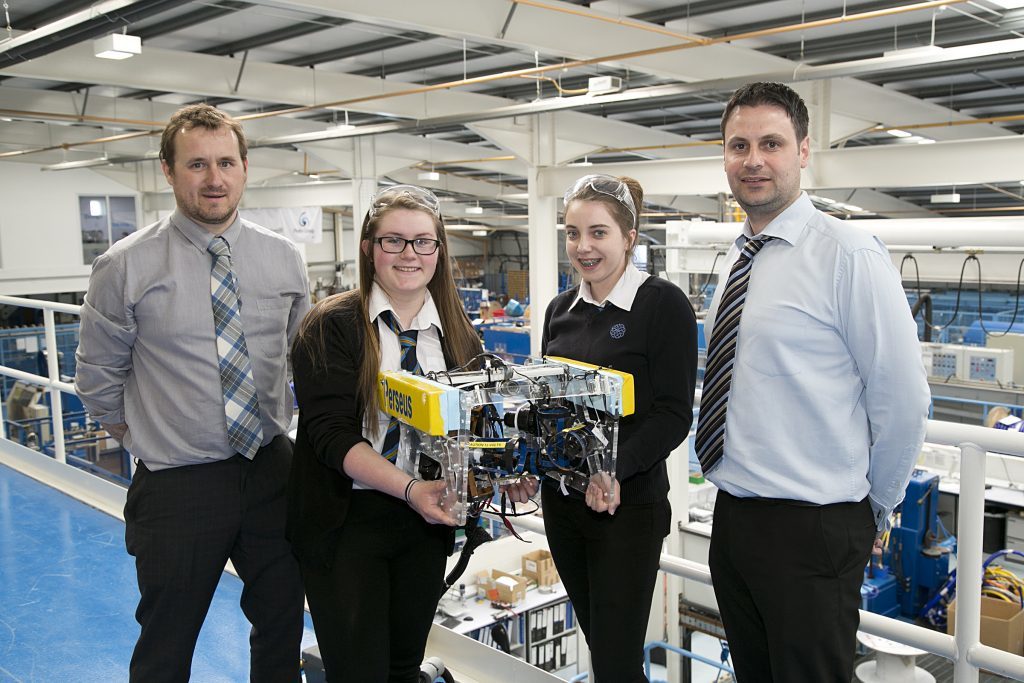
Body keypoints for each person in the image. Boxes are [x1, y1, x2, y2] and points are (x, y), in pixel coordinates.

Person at [698, 81, 931, 682]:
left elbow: (903, 400)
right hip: (735, 516)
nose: (753, 160)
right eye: (738, 145)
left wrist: (873, 509)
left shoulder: (848, 255)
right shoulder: (737, 257)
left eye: (771, 143)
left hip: (814, 525)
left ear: (803, 151)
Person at [74, 104, 308, 682]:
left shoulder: (284, 258)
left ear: (245, 168)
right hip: (178, 482)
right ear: (168, 171)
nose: (214, 179)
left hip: (270, 470)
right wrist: (145, 437)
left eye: (226, 162)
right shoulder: (124, 265)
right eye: (197, 164)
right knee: (167, 637)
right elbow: (97, 375)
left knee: (282, 619)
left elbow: (302, 355)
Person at [286, 184, 482, 682]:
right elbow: (330, 436)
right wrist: (411, 489)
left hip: (424, 528)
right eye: (393, 240)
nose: (409, 254)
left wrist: (498, 476)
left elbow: (470, 433)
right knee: (357, 672)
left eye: (423, 241)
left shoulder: (460, 336)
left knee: (402, 667)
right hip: (347, 522)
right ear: (370, 248)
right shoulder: (331, 325)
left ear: (438, 250)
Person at [510, 174, 697, 682]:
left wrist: (615, 470)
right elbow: (546, 402)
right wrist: (528, 462)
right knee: (600, 645)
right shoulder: (559, 311)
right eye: (572, 233)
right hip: (564, 506)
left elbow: (674, 413)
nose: (582, 247)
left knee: (615, 661)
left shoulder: (662, 305)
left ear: (629, 237)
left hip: (627, 509)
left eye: (598, 233)